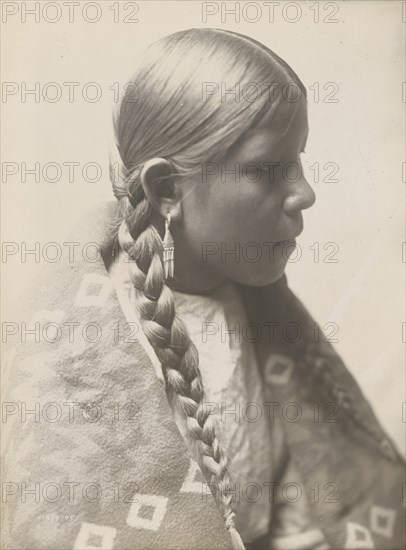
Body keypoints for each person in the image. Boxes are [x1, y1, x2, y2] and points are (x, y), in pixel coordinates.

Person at [3, 28, 404, 550]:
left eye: (300, 160)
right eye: (266, 170)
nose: (305, 193)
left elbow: (298, 486)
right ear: (167, 189)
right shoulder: (88, 352)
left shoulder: (254, 307)